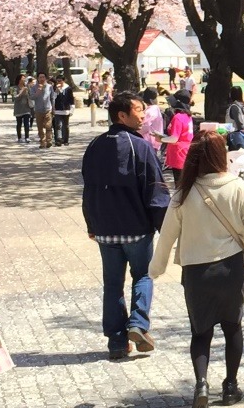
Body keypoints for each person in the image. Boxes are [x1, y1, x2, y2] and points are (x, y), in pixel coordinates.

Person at [149, 132, 244, 408]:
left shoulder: (183, 192)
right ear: (220, 154)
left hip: (195, 274)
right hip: (230, 269)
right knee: (232, 327)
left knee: (200, 333)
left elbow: (166, 236)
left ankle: (201, 384)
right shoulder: (237, 187)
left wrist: (155, 269)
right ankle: (230, 386)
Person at [81, 91, 170, 360]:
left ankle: (117, 343)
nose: (143, 115)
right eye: (138, 110)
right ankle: (138, 324)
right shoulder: (139, 147)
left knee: (112, 284)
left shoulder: (95, 145)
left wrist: (91, 223)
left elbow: (88, 190)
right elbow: (156, 192)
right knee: (143, 275)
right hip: (136, 229)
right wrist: (162, 227)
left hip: (105, 230)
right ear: (122, 115)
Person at [155, 90, 194, 186]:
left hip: (178, 155)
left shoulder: (178, 117)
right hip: (185, 152)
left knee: (179, 185)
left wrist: (161, 139)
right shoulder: (187, 116)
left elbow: (174, 138)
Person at [29, 72, 54, 149]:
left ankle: (49, 141)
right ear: (38, 78)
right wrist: (38, 91)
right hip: (38, 110)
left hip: (47, 109)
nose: (42, 79)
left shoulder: (50, 87)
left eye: (43, 77)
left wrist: (53, 107)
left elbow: (52, 98)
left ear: (45, 78)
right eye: (40, 77)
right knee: (40, 128)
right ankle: (42, 142)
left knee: (48, 126)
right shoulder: (33, 87)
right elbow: (32, 97)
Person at [140, 88, 165, 159]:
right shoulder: (154, 109)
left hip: (150, 144)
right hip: (153, 143)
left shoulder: (150, 111)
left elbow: (143, 127)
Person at [52, 76, 75, 146]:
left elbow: (71, 99)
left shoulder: (68, 89)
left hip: (66, 110)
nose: (59, 82)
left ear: (63, 81)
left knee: (65, 126)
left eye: (60, 81)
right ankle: (58, 139)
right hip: (57, 110)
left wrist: (72, 109)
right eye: (57, 81)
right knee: (57, 125)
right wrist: (56, 91)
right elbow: (53, 98)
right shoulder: (55, 88)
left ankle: (65, 140)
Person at [13, 76, 33, 144]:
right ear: (19, 80)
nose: (24, 79)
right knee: (19, 124)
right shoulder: (15, 88)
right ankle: (19, 137)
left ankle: (27, 137)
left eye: (25, 78)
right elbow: (15, 98)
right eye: (23, 78)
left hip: (26, 108)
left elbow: (31, 96)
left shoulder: (27, 87)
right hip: (18, 109)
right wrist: (22, 91)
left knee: (26, 123)